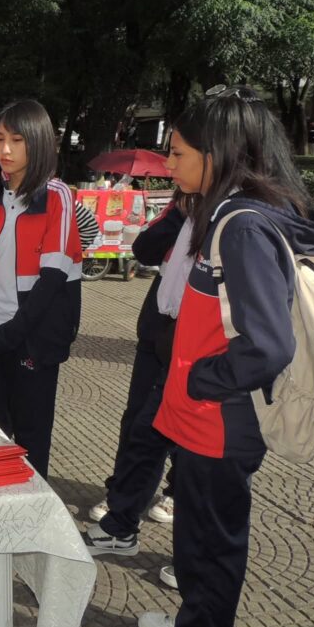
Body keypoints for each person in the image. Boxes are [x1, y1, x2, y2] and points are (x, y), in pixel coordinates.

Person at [122, 86, 314, 627]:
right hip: (203, 417)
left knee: (212, 544)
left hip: (219, 421)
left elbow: (268, 345)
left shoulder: (241, 226)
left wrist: (199, 380)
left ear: (215, 155)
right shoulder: (224, 215)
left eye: (178, 153)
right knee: (195, 537)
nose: (169, 165)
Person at [0, 99, 82, 478]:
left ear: (38, 142)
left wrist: (12, 333)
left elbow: (53, 277)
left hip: (31, 340)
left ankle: (31, 508)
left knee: (30, 437)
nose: (4, 149)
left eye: (17, 140)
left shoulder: (56, 195)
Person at [85, 194, 192, 557]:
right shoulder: (183, 204)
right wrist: (181, 214)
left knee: (180, 430)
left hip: (196, 335)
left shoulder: (237, 214)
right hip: (158, 328)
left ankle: (175, 493)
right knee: (138, 421)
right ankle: (122, 500)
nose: (172, 168)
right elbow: (145, 250)